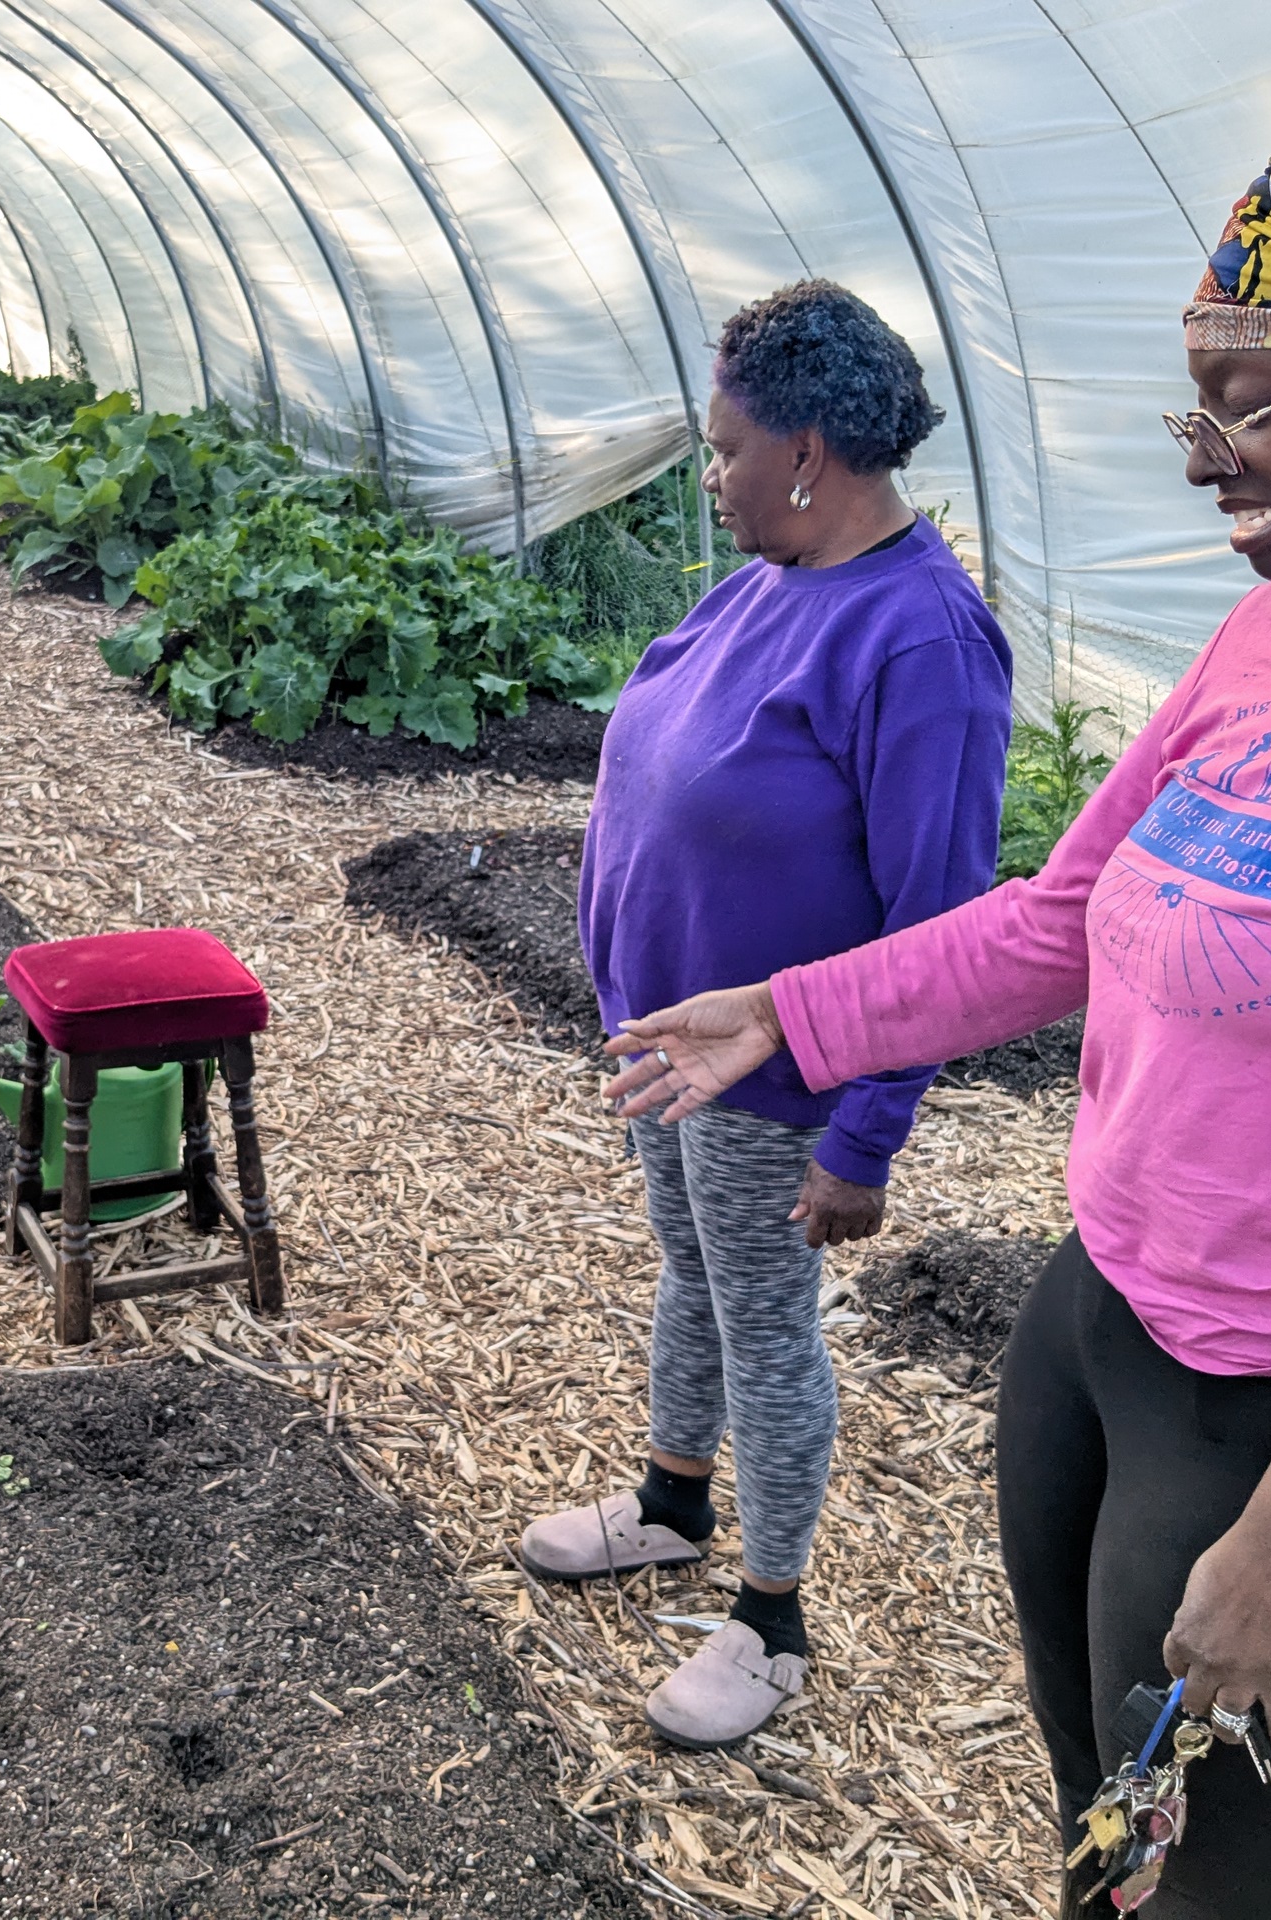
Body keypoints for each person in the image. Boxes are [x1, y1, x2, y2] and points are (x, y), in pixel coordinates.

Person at [600, 13, 1271, 1915]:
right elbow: (1055, 922)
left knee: (1241, 1893)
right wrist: (795, 1011)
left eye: (1247, 398)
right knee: (1108, 1855)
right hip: (1117, 1324)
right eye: (1199, 402)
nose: (1206, 459)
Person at [516, 281, 1013, 1749]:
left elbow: (940, 923)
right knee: (694, 1273)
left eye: (728, 446)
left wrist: (865, 1137)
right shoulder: (767, 580)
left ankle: (771, 1618)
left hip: (775, 1079)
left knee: (769, 1323)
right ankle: (672, 1500)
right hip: (668, 1047)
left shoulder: (921, 643)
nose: (710, 472)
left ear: (807, 450)